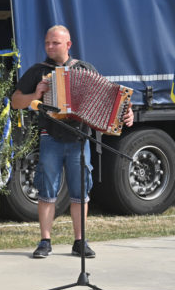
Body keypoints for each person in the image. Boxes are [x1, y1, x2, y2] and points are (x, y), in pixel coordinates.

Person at [11, 25, 134, 259]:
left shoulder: (84, 69)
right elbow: (16, 101)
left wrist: (127, 113)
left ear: (68, 45)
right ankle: (45, 241)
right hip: (50, 138)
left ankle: (80, 241)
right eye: (47, 43)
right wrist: (35, 95)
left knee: (80, 191)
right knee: (47, 191)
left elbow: (109, 98)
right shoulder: (39, 71)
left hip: (80, 139)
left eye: (54, 43)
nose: (49, 47)